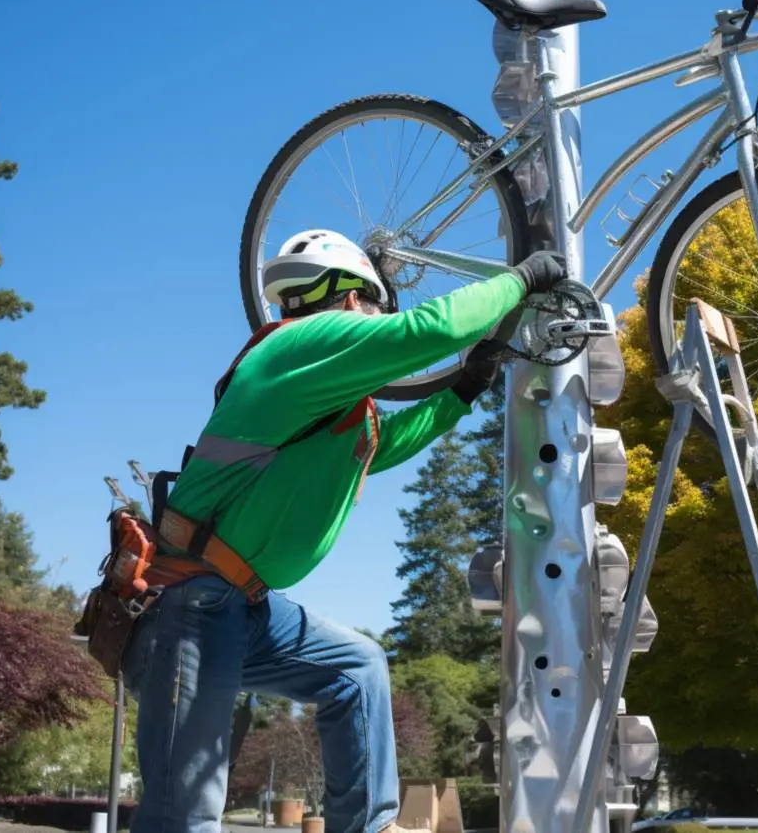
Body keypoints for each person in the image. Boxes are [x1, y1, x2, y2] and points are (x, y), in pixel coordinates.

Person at [121, 229, 566, 833]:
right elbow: (428, 332)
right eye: (378, 310)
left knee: (356, 669)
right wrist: (521, 278)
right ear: (353, 299)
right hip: (191, 605)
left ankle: (368, 826)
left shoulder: (328, 398)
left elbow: (379, 448)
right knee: (185, 814)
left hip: (242, 605)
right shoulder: (298, 345)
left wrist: (463, 390)